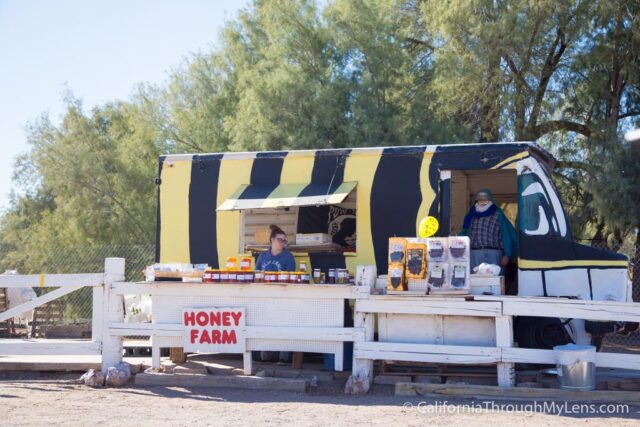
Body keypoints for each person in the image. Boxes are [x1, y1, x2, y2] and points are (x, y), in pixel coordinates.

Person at [255, 224, 295, 364]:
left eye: (284, 240)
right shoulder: (262, 256)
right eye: (280, 239)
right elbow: (257, 275)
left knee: (284, 325)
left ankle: (283, 357)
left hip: (283, 296)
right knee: (265, 324)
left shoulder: (288, 257)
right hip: (265, 296)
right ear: (272, 240)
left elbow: (291, 278)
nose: (282, 243)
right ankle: (265, 356)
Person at [460, 189, 518, 272]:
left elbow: (507, 234)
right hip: (474, 253)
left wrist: (507, 255)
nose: (482, 202)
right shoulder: (470, 215)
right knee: (475, 280)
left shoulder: (498, 213)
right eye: (480, 199)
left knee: (494, 280)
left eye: (484, 199)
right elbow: (464, 233)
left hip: (494, 253)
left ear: (490, 200)